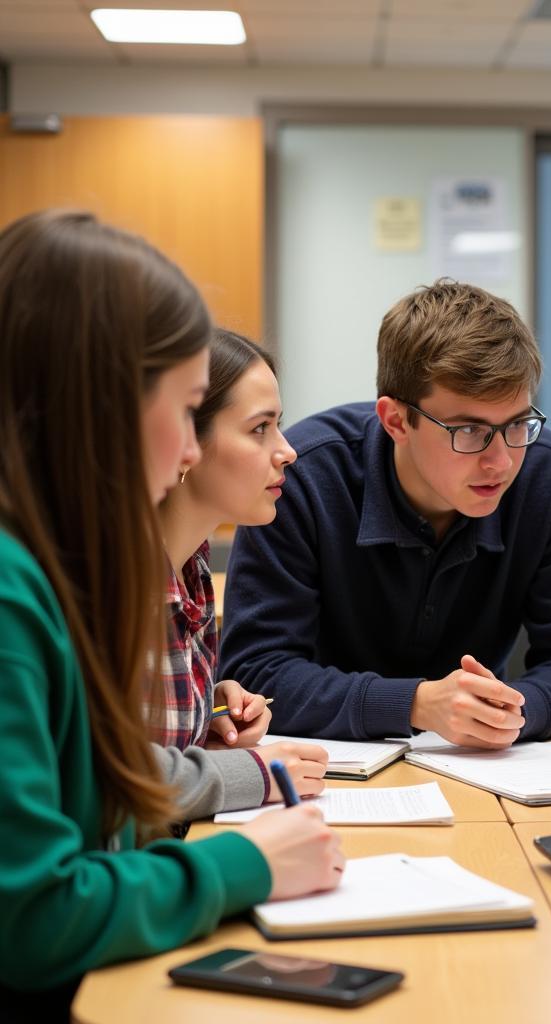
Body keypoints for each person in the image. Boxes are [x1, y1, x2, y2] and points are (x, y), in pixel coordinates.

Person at [0, 210, 345, 1015]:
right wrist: (247, 866)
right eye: (185, 409)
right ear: (107, 403)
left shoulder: (49, 569)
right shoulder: (17, 594)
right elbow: (33, 919)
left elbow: (100, 813)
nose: (189, 452)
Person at [220, 279, 551, 747]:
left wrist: (508, 713)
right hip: (331, 772)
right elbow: (255, 672)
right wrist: (415, 705)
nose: (501, 461)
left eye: (518, 424)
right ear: (395, 421)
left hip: (489, 770)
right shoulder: (302, 475)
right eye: (469, 431)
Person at [154, 328, 327, 817]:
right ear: (186, 443)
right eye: (260, 429)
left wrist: (204, 714)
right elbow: (103, 776)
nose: (288, 451)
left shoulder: (192, 565)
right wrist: (255, 773)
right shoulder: (107, 584)